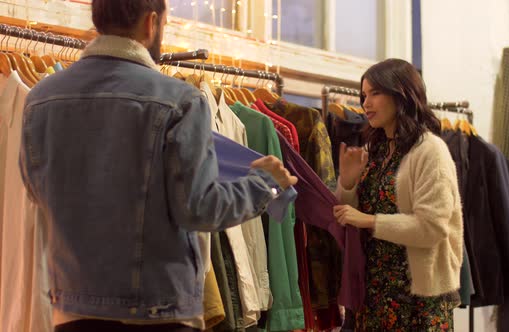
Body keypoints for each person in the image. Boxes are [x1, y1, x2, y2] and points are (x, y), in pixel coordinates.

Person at [18, 1, 297, 331]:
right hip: (158, 310)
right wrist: (263, 182)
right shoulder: (179, 100)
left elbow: (37, 193)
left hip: (74, 307)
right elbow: (199, 208)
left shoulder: (40, 99)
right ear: (151, 23)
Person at [333, 59, 463, 331]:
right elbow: (350, 218)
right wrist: (347, 184)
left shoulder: (429, 151)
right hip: (374, 293)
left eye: (375, 93)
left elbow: (432, 227)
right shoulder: (379, 151)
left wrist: (369, 221)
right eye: (363, 95)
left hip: (416, 299)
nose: (365, 103)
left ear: (401, 93)